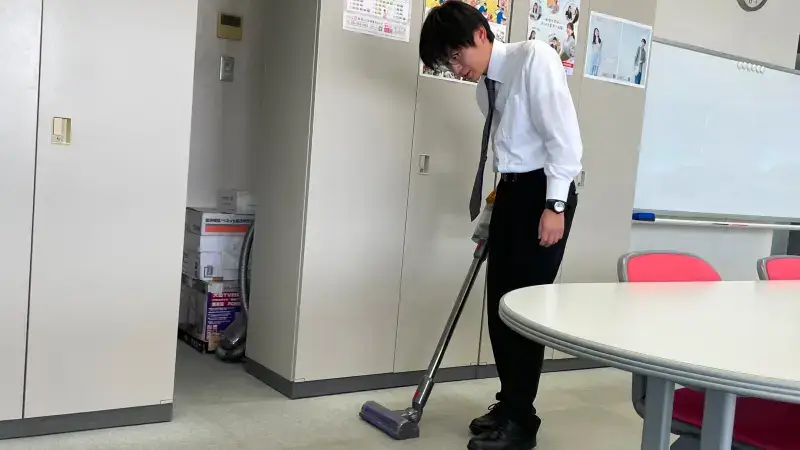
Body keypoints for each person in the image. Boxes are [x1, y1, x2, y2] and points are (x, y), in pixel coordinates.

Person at [419, 2, 582, 450]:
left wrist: (554, 205)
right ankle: (510, 404)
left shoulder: (534, 59)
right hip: (510, 194)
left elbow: (564, 140)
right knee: (501, 309)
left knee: (524, 312)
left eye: (455, 57)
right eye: (447, 64)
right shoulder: (485, 89)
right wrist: (497, 207)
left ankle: (522, 423)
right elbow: (509, 155)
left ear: (479, 34)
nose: (456, 70)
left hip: (543, 196)